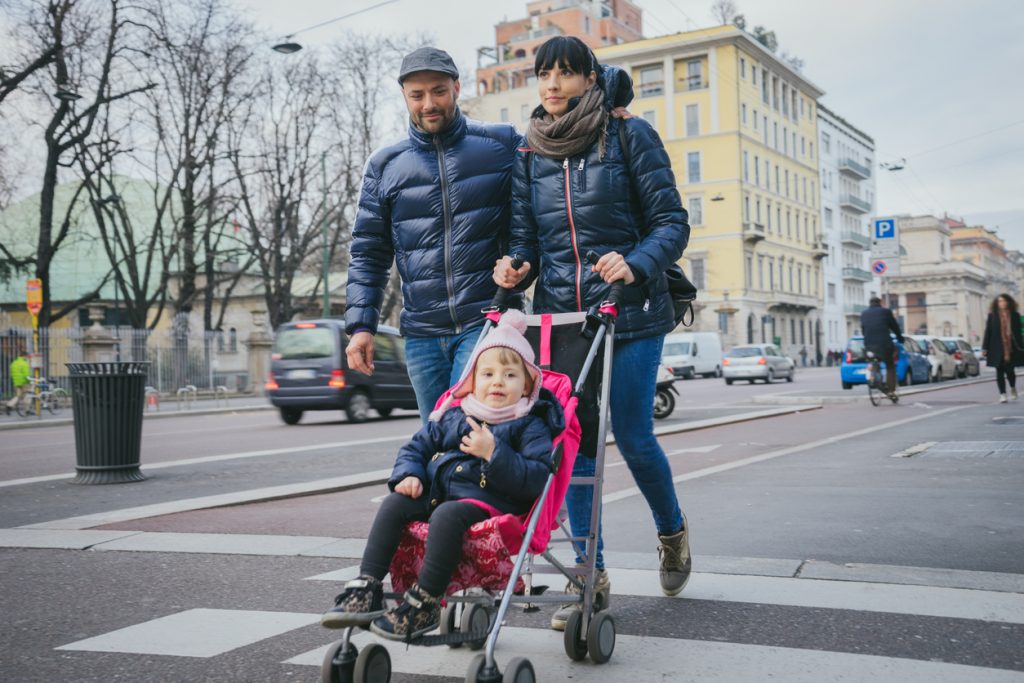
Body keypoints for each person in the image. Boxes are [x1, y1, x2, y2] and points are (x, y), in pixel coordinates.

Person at [492, 36, 691, 629]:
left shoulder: (629, 134)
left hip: (631, 310)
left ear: (589, 78)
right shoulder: (531, 152)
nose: (552, 83)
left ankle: (672, 531)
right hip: (566, 319)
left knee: (631, 434)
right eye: (544, 73)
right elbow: (525, 238)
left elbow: (671, 222)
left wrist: (635, 262)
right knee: (572, 444)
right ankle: (589, 576)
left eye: (566, 73)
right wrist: (515, 266)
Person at [320, 310, 564, 640]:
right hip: (440, 491)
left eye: (509, 375)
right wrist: (410, 474)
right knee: (395, 503)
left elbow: (535, 478)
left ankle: (426, 602)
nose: (497, 382)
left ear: (527, 385)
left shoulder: (530, 424)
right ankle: (367, 586)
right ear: (472, 383)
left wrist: (494, 452)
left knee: (448, 514)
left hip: (491, 503)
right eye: (488, 373)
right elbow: (416, 448)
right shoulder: (455, 417)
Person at [343, 47, 520, 422]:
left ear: (456, 87)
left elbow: (536, 208)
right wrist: (362, 326)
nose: (429, 103)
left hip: (486, 319)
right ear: (405, 96)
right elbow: (369, 253)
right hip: (422, 335)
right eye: (417, 95)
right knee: (436, 440)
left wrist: (617, 119)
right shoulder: (385, 166)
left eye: (438, 91)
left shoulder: (501, 145)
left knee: (467, 428)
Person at [981, 293, 1023, 403]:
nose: (1002, 303)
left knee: (1010, 372)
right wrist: (985, 348)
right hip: (996, 347)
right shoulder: (992, 316)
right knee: (999, 372)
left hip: (1011, 348)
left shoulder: (1015, 315)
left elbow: (1019, 333)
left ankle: (1013, 387)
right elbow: (988, 332)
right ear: (996, 303)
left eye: (1004, 301)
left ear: (1008, 302)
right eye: (1000, 301)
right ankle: (1003, 394)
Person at [860, 297, 903, 397]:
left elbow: (863, 330)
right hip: (884, 345)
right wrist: (900, 338)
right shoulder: (886, 312)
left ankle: (874, 378)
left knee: (873, 360)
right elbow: (894, 327)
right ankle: (891, 390)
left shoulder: (864, 313)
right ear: (880, 303)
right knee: (890, 365)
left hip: (869, 345)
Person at [4, 346, 29, 415]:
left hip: (16, 382)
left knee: (18, 396)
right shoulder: (24, 363)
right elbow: (26, 375)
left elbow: (11, 372)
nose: (27, 358)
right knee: (28, 395)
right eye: (26, 357)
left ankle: (9, 405)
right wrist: (29, 381)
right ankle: (27, 410)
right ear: (24, 356)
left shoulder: (14, 363)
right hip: (24, 382)